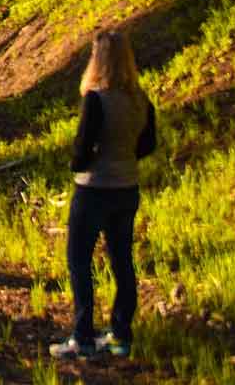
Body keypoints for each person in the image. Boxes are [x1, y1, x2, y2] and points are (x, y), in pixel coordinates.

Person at [50, 28, 157, 360]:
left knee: (79, 261)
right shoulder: (141, 100)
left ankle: (82, 336)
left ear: (98, 60)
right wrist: (124, 159)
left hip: (93, 188)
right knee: (122, 261)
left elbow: (82, 146)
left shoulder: (95, 99)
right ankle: (121, 335)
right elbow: (148, 144)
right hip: (127, 188)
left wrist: (79, 163)